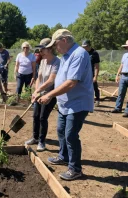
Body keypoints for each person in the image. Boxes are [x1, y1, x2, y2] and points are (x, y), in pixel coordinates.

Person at [38, 29, 93, 181]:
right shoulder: (65, 56)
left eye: (55, 44)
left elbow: (71, 83)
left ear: (64, 40)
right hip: (65, 103)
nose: (55, 48)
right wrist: (48, 94)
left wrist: (49, 95)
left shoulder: (79, 54)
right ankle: (63, 156)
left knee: (70, 135)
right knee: (61, 131)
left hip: (77, 104)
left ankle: (75, 169)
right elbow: (60, 79)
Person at [25, 38, 60, 151]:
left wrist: (39, 91)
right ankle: (35, 138)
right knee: (35, 116)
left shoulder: (57, 62)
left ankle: (41, 141)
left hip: (50, 95)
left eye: (42, 50)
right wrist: (36, 93)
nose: (40, 52)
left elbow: (51, 81)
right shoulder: (43, 61)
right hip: (40, 93)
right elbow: (39, 78)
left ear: (49, 49)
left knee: (42, 117)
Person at [111, 40, 128, 117]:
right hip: (123, 76)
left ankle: (127, 111)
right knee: (121, 93)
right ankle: (118, 108)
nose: (126, 47)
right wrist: (117, 75)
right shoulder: (124, 55)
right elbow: (121, 65)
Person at [82, 40, 101, 107]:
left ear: (89, 46)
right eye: (83, 47)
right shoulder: (83, 53)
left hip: (92, 73)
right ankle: (88, 100)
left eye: (86, 46)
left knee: (94, 86)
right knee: (85, 87)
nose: (84, 48)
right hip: (85, 74)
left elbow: (96, 66)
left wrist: (95, 76)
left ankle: (97, 99)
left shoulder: (94, 53)